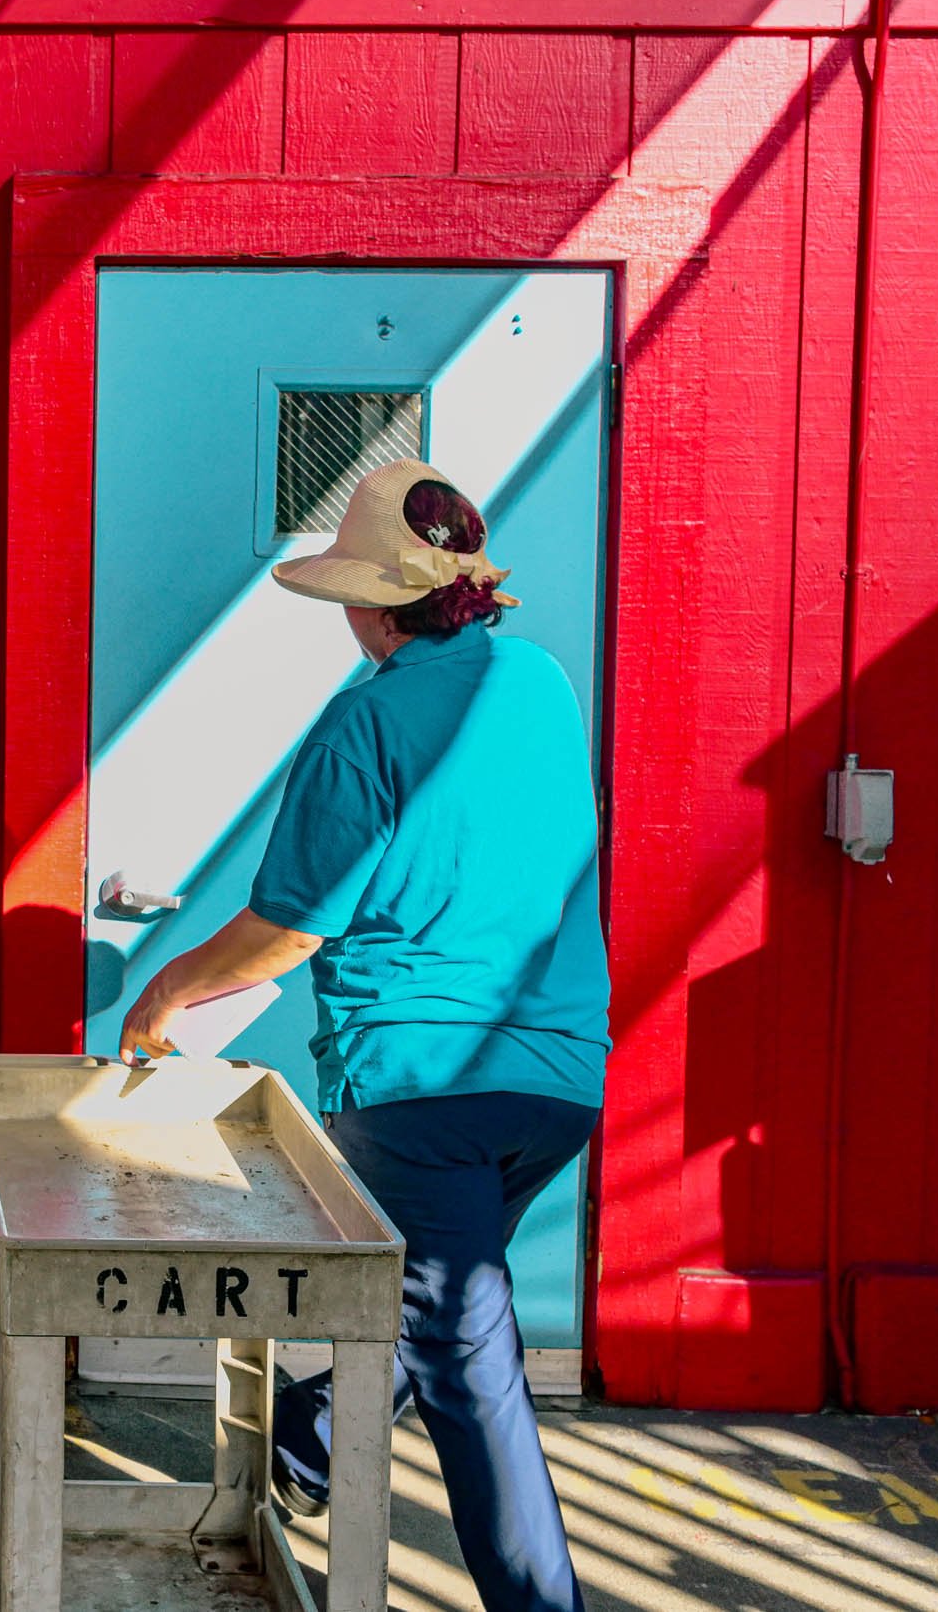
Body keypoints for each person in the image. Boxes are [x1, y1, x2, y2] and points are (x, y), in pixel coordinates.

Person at [118, 458, 607, 1612]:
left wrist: (163, 997)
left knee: (467, 1361)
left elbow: (288, 929)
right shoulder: (538, 682)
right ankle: (298, 1451)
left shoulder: (366, 719)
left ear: (377, 603)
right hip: (558, 1077)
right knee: (433, 1292)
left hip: (416, 1084)